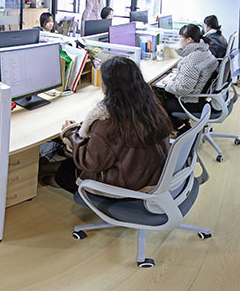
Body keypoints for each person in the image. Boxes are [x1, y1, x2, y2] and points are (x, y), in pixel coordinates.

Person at [52, 56, 175, 194]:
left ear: (106, 85)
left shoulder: (109, 123)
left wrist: (70, 132)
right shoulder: (153, 107)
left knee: (64, 174)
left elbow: (89, 162)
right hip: (150, 177)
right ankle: (44, 167)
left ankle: (42, 180)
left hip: (126, 187)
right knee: (68, 164)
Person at [155, 24, 218, 126]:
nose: (179, 39)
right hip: (202, 97)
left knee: (158, 103)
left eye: (180, 37)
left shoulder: (191, 59)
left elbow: (183, 88)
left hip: (192, 101)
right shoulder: (204, 50)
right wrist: (180, 73)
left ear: (189, 40)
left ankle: (181, 128)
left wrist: (168, 84)